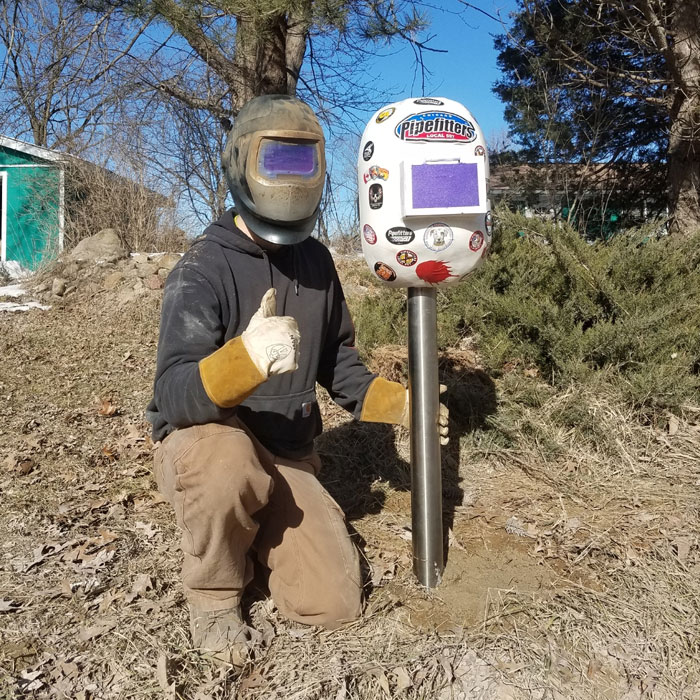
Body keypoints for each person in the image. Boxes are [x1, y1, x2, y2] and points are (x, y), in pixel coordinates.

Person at [146, 94, 448, 666]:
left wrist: (402, 405)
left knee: (332, 603)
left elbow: (339, 363)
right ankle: (214, 596)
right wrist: (244, 360)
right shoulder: (201, 268)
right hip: (210, 439)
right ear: (241, 164)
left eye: (300, 161)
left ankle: (251, 522)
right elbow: (173, 394)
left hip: (286, 451)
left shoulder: (315, 262)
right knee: (228, 463)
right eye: (276, 160)